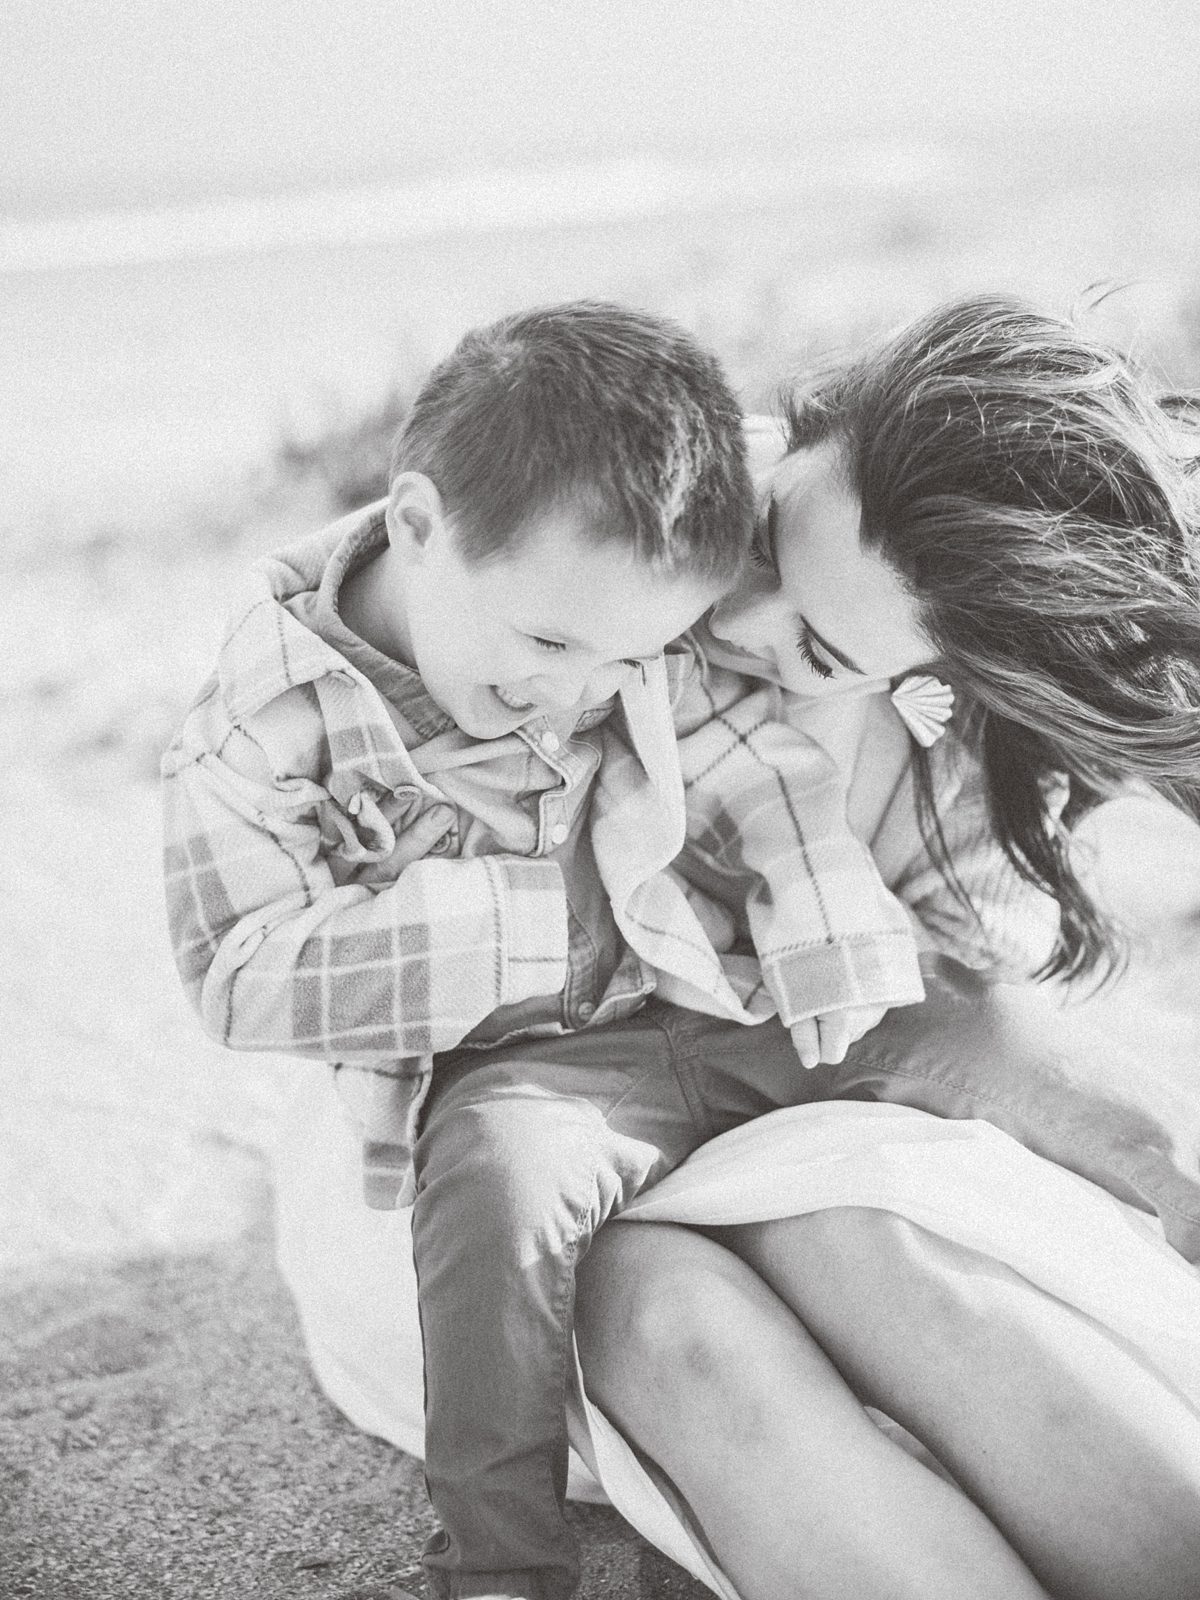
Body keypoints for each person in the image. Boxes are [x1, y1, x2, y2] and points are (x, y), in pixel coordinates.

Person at [164, 300, 981, 1600]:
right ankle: (499, 1563)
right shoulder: (268, 727)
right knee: (496, 1197)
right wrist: (511, 918)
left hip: (710, 997)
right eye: (550, 647)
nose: (579, 693)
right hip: (535, 1066)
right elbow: (238, 967)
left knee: (963, 1055)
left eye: (631, 658)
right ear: (420, 526)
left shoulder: (606, 600)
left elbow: (738, 745)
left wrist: (823, 908)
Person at [570, 293, 1200, 1600]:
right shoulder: (595, 515)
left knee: (877, 1243)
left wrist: (1152, 1149)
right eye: (759, 540)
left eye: (816, 647)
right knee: (665, 1318)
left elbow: (949, 1008)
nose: (739, 626)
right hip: (512, 1146)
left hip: (799, 1125)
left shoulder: (934, 747)